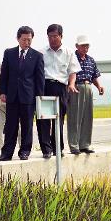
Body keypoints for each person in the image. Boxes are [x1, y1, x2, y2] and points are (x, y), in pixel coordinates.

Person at [0, 26, 45, 161]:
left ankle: (24, 151)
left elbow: (39, 79)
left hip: (28, 97)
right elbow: (4, 74)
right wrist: (2, 92)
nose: (27, 42)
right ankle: (6, 153)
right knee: (10, 126)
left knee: (27, 126)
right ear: (18, 39)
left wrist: (39, 97)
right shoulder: (9, 53)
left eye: (29, 40)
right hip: (12, 96)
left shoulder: (37, 56)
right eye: (24, 40)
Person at [36, 24, 81, 158]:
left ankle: (57, 148)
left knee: (59, 119)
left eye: (55, 36)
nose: (52, 39)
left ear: (61, 36)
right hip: (44, 86)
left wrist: (71, 84)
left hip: (61, 87)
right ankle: (46, 149)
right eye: (50, 36)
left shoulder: (68, 52)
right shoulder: (41, 52)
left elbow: (73, 71)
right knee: (43, 119)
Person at [67, 35, 104, 154]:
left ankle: (85, 144)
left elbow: (94, 76)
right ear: (77, 46)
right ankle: (74, 145)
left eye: (87, 45)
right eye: (83, 45)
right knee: (75, 117)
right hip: (76, 87)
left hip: (88, 88)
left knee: (87, 117)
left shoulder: (90, 60)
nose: (85, 48)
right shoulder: (72, 58)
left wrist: (99, 86)